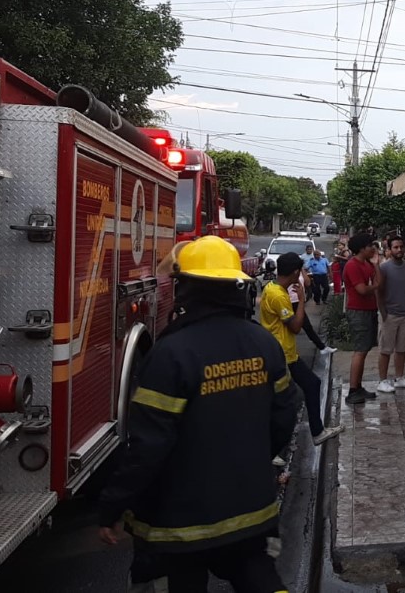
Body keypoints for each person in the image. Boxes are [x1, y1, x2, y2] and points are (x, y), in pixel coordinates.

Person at [98, 236, 300, 593]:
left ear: (185, 288)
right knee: (259, 578)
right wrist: (251, 459)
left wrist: (114, 505)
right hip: (251, 509)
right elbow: (284, 415)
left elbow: (148, 446)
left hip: (180, 524)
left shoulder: (172, 353)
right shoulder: (263, 344)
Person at [261, 252, 344, 447]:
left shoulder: (271, 288)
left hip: (286, 352)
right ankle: (276, 448)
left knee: (310, 385)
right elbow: (296, 326)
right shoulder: (278, 295)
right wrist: (301, 298)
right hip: (283, 354)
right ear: (296, 272)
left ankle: (316, 431)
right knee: (284, 401)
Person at [376, 235, 405, 392]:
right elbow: (379, 292)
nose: (399, 250)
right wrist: (384, 313)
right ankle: (382, 380)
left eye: (401, 247)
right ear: (389, 250)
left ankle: (399, 378)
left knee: (402, 349)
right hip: (390, 314)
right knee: (385, 349)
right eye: (395, 247)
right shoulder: (384, 268)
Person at [342, 234, 381, 405]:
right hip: (358, 311)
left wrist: (376, 265)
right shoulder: (352, 265)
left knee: (365, 349)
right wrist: (375, 287)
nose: (373, 248)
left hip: (369, 309)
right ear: (361, 248)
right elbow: (362, 290)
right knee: (360, 350)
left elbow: (379, 280)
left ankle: (358, 386)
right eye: (370, 246)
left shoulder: (367, 264)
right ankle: (352, 390)